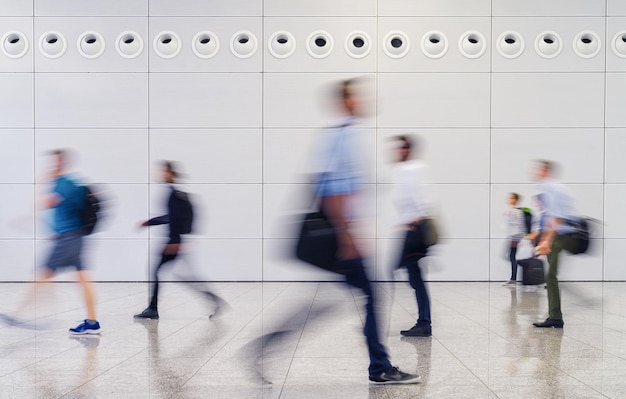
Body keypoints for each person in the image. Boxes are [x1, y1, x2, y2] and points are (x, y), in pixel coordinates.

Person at [318, 79, 419, 384]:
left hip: (343, 235)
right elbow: (331, 190)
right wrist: (347, 236)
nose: (362, 100)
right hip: (342, 238)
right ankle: (379, 367)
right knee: (371, 297)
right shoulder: (343, 136)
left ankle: (379, 364)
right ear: (344, 101)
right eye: (355, 97)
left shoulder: (347, 134)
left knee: (361, 298)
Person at [0, 149, 101, 334]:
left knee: (41, 274)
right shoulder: (71, 184)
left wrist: (42, 182)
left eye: (52, 162)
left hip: (66, 239)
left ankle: (18, 313)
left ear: (58, 163)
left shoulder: (63, 185)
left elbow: (42, 203)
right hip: (75, 238)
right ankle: (92, 322)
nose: (49, 166)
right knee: (83, 279)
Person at [134, 161, 227, 320]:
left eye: (163, 171)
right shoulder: (174, 193)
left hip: (174, 242)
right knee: (185, 275)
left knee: (159, 272)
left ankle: (152, 309)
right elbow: (172, 218)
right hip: (177, 241)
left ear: (170, 174)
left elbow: (173, 219)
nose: (159, 174)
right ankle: (215, 301)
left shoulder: (173, 194)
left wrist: (174, 241)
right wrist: (149, 223)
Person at [391, 135, 434, 337]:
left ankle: (424, 322)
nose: (397, 152)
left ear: (408, 150)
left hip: (414, 230)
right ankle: (424, 321)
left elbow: (421, 196)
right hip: (411, 228)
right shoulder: (407, 169)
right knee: (414, 276)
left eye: (401, 148)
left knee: (407, 274)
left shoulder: (411, 169)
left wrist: (415, 222)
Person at [532, 160, 578, 328]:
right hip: (559, 234)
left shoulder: (552, 188)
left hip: (559, 235)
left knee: (551, 276)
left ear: (546, 171)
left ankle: (556, 317)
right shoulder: (556, 187)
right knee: (551, 276)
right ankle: (555, 316)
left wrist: (546, 240)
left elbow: (556, 217)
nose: (535, 172)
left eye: (538, 169)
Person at [502, 193, 526, 286]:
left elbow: (521, 224)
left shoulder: (517, 211)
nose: (509, 199)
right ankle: (513, 278)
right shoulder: (511, 210)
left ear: (515, 199)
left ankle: (513, 278)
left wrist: (521, 238)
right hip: (512, 236)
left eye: (511, 198)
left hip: (515, 236)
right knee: (510, 256)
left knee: (511, 256)